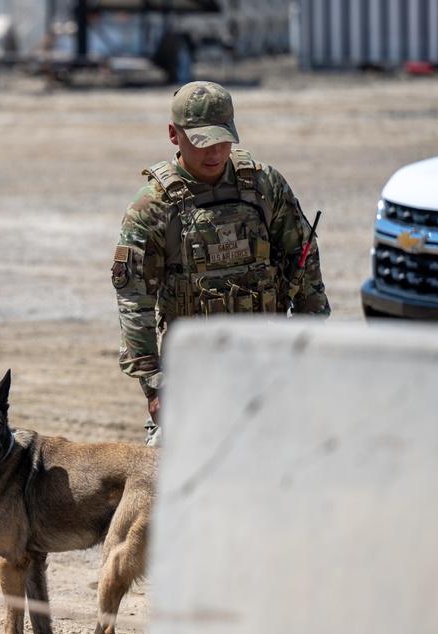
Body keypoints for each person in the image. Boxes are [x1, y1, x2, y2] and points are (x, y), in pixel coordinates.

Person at [112, 81, 330, 445]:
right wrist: (152, 384)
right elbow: (134, 299)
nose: (214, 152)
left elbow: (303, 262)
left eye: (223, 139)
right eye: (201, 141)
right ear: (173, 135)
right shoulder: (152, 206)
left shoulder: (264, 186)